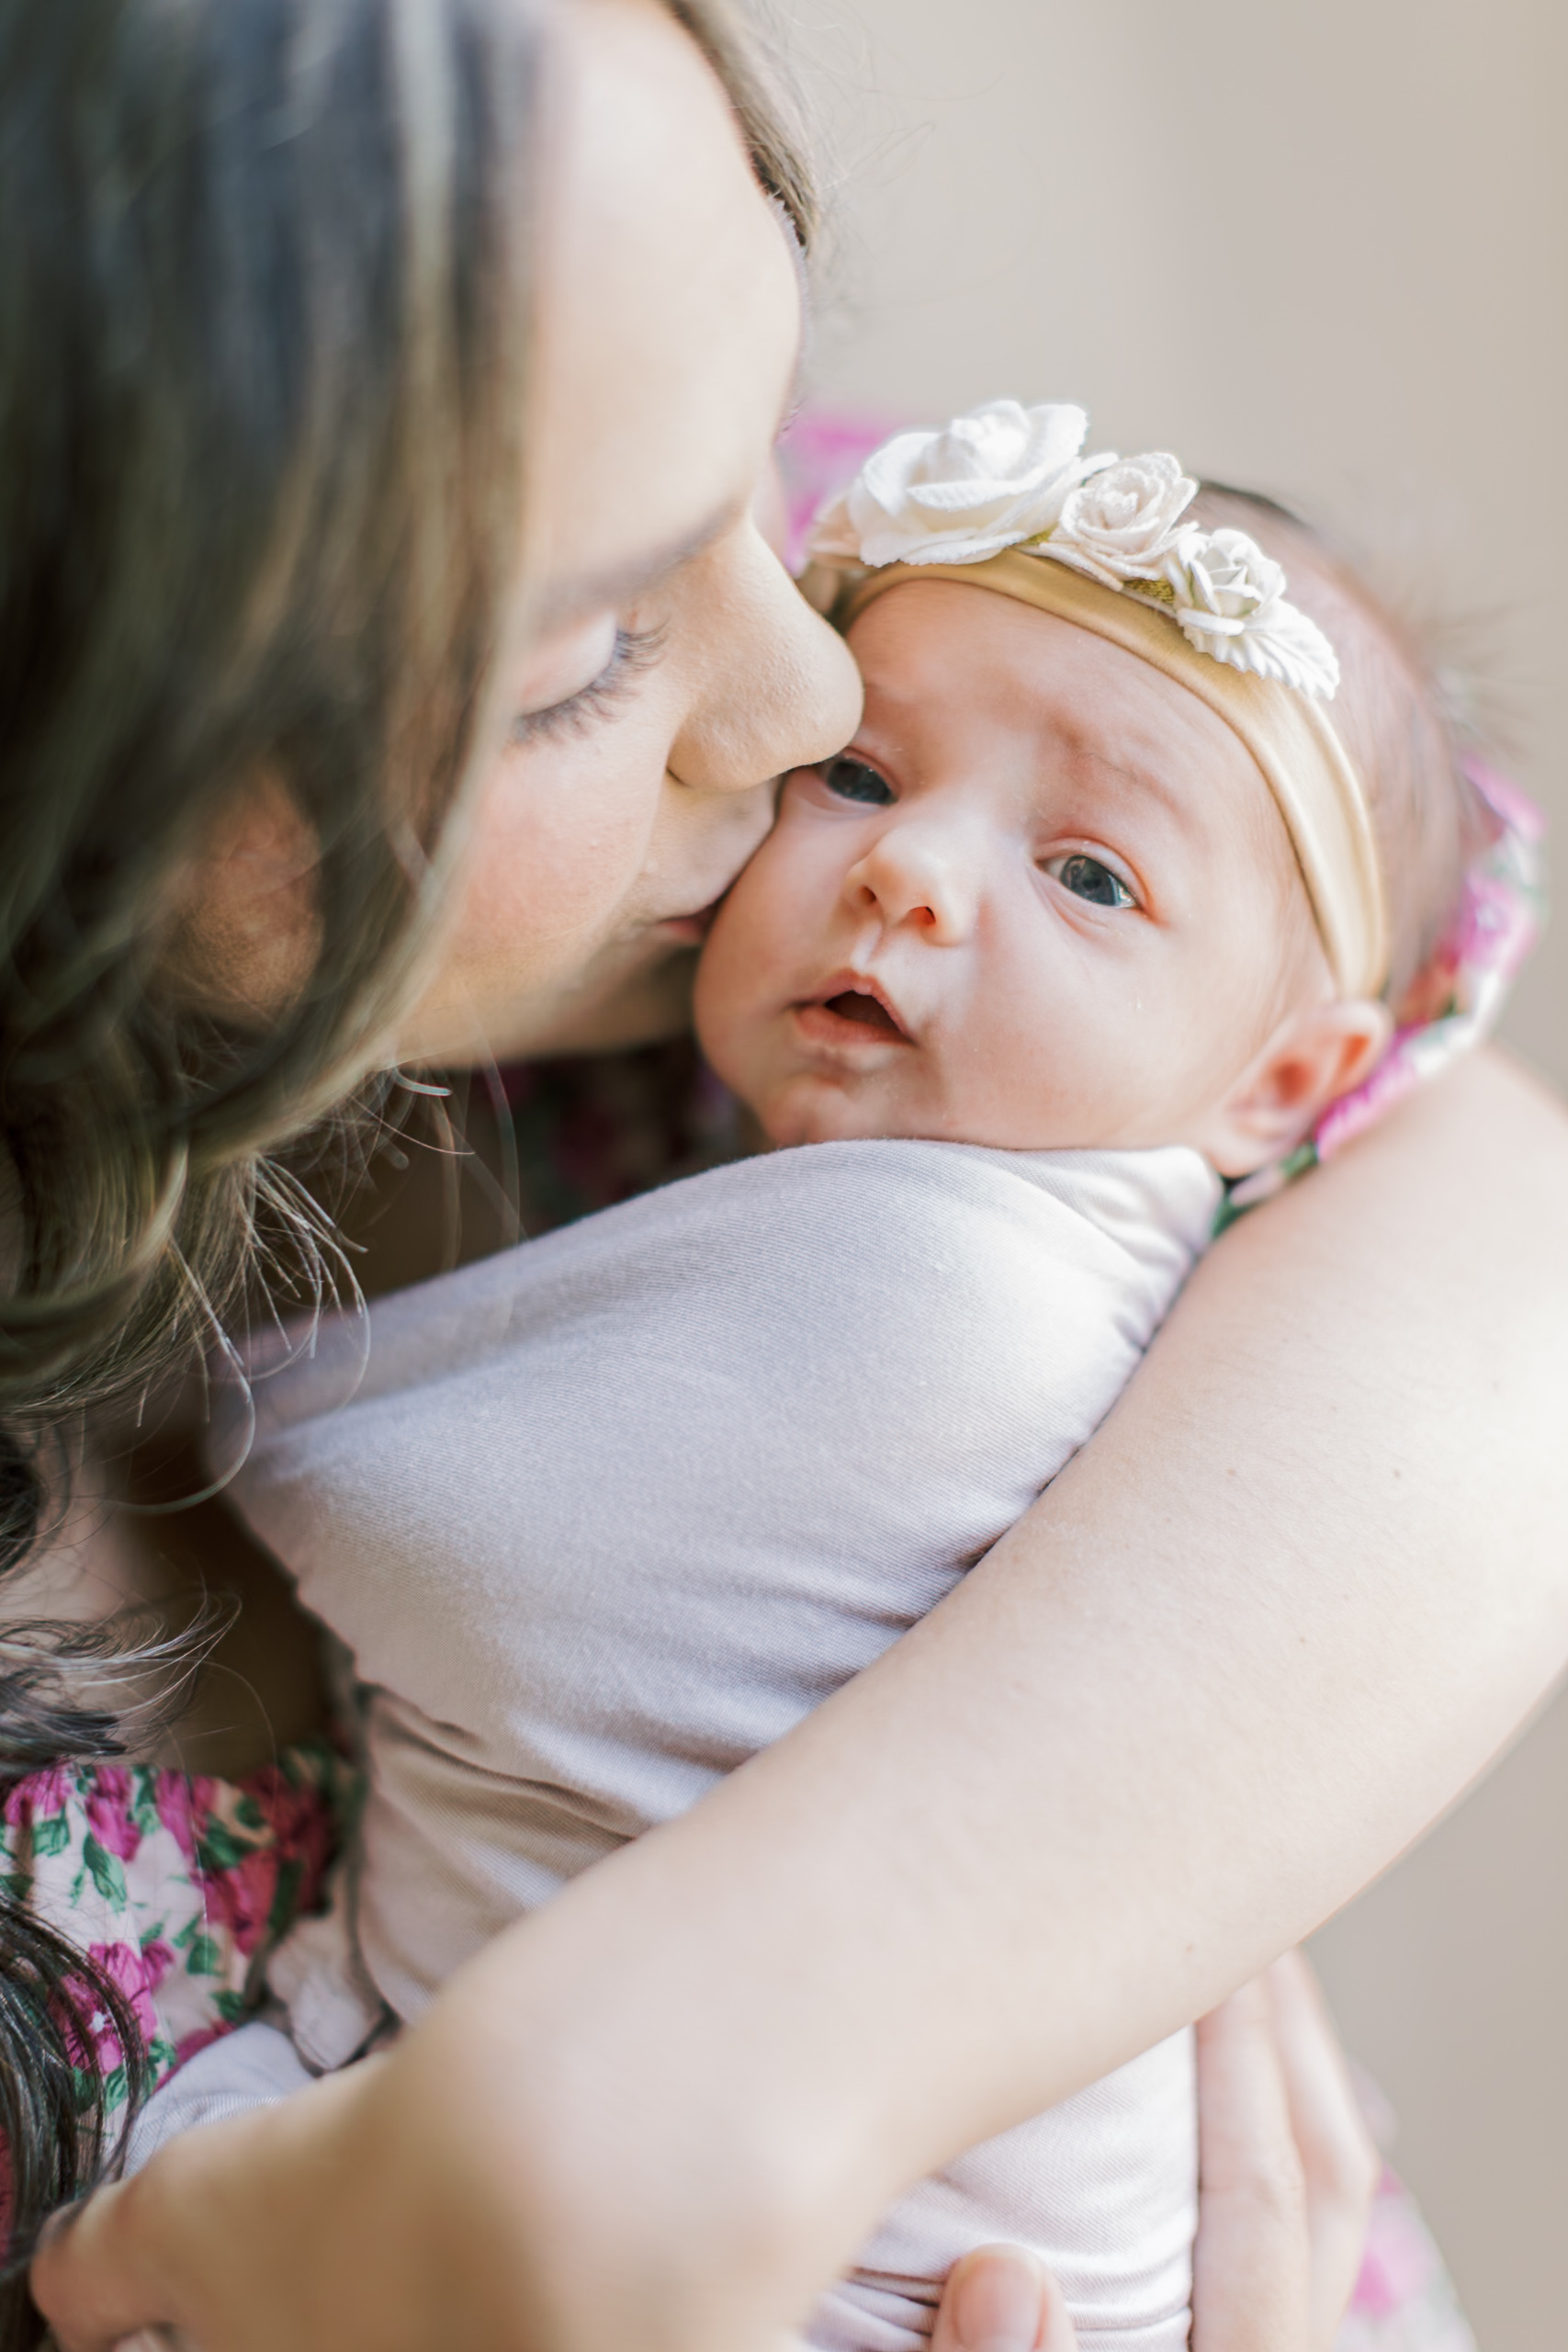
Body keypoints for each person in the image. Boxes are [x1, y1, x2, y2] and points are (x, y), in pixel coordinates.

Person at [6, 4, 1568, 2348]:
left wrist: (702, 2068)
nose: (818, 705)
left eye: (768, 469)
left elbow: (1479, 1204)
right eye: (585, 651)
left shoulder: (841, 716)